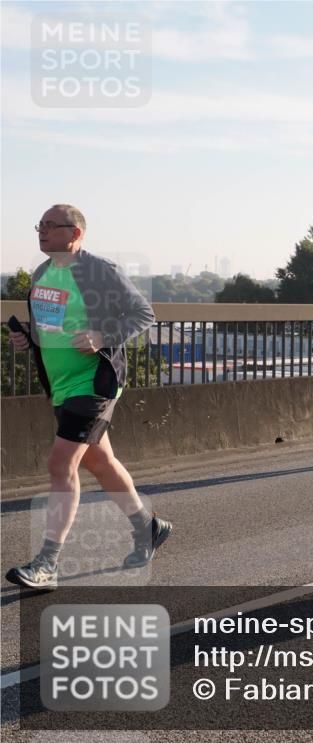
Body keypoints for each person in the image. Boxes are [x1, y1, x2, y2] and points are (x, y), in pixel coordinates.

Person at [5, 204, 172, 591]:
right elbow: (52, 325)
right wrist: (28, 337)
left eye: (50, 226)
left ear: (75, 233)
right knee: (101, 462)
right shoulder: (44, 272)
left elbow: (143, 313)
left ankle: (48, 563)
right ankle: (148, 528)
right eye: (39, 226)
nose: (41, 232)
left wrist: (102, 335)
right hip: (61, 385)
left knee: (60, 463)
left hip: (94, 382)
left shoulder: (100, 271)